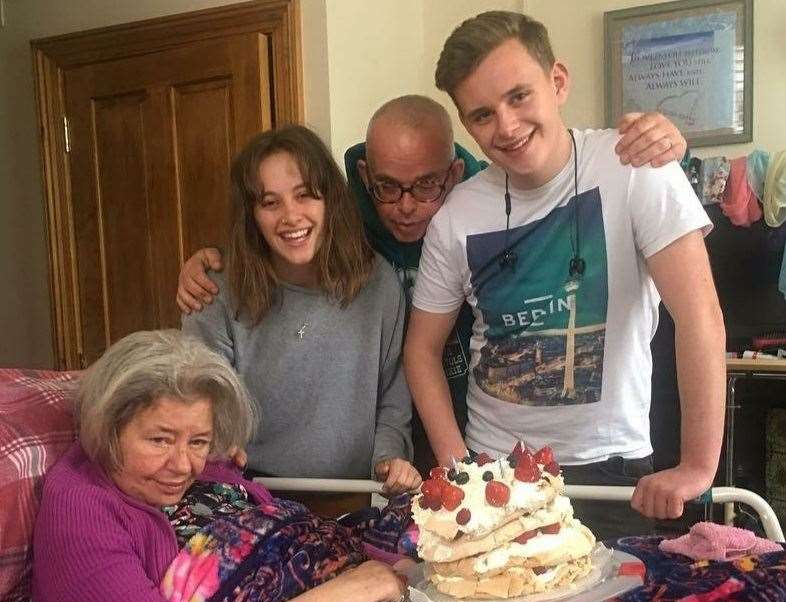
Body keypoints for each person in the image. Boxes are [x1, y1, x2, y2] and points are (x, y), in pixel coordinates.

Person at [176, 97, 687, 477]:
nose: (405, 206)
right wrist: (208, 264)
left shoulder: (484, 211)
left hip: (468, 427)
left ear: (454, 173)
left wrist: (666, 145)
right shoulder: (344, 220)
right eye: (387, 188)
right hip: (379, 449)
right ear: (363, 179)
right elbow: (281, 222)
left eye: (426, 186)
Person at [403, 11, 725, 540]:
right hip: (497, 474)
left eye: (519, 96)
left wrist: (697, 466)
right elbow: (421, 351)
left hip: (611, 471)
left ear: (557, 82)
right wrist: (460, 467)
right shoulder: (457, 216)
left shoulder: (636, 165)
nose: (506, 126)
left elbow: (700, 318)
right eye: (482, 115)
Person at [32, 330, 410, 602]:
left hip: (352, 570)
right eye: (159, 441)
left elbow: (288, 528)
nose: (183, 466)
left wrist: (395, 571)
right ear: (109, 428)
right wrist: (358, 588)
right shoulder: (80, 513)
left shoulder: (192, 465)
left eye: (198, 442)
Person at [182, 125, 420, 493]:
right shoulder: (212, 288)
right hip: (246, 494)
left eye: (305, 195)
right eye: (270, 202)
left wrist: (389, 459)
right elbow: (200, 399)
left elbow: (393, 398)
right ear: (251, 215)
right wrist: (216, 444)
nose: (290, 216)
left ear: (331, 201)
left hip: (354, 497)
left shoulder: (379, 284)